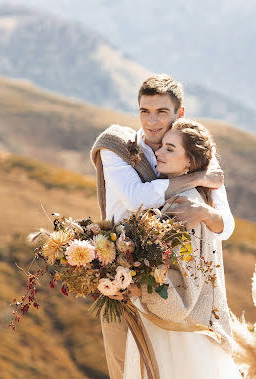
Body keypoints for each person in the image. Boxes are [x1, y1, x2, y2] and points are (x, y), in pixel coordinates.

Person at [91, 74, 235, 379]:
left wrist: (204, 212)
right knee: (124, 368)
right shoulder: (117, 148)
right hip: (119, 281)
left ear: (179, 113)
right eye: (145, 111)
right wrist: (194, 179)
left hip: (168, 289)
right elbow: (136, 199)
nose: (152, 121)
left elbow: (226, 225)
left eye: (161, 112)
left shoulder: (195, 154)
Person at [123, 119, 242, 379]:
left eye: (170, 149)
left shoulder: (185, 206)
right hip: (178, 326)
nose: (159, 153)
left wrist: (136, 284)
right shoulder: (186, 198)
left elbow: (184, 275)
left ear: (189, 162)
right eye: (161, 147)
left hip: (177, 332)